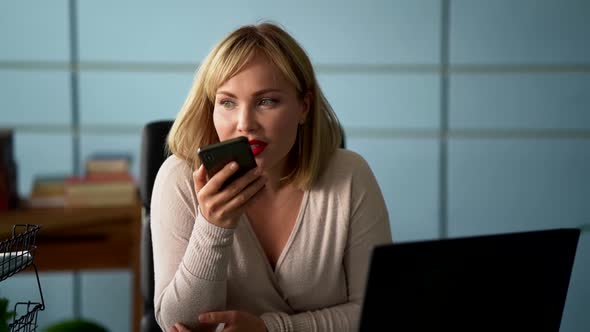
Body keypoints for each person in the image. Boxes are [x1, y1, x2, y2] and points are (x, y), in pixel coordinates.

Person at [151, 22, 392, 332]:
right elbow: (178, 324)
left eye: (266, 102)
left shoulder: (350, 176)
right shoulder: (179, 179)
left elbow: (378, 311)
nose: (245, 123)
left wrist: (273, 330)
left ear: (304, 107)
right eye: (227, 102)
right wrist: (213, 226)